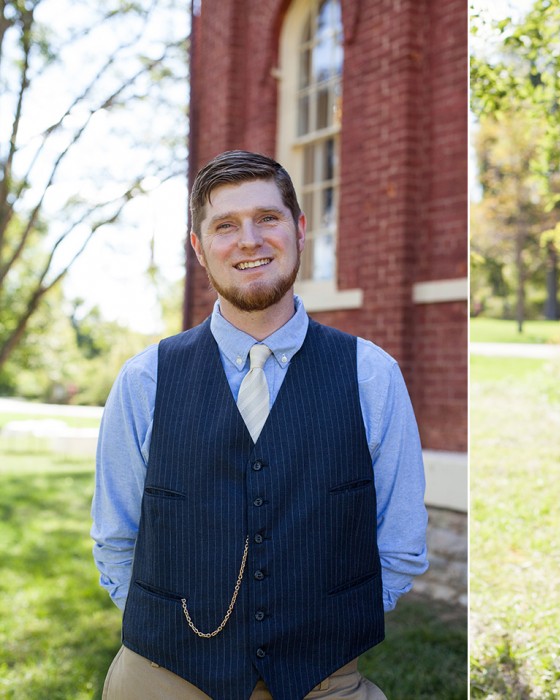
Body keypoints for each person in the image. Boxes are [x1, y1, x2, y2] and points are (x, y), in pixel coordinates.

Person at [91, 150, 428, 700]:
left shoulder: (371, 375)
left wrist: (330, 635)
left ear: (298, 229)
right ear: (200, 248)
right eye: (225, 225)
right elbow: (115, 535)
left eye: (266, 218)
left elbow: (401, 541)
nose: (248, 240)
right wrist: (165, 633)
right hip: (164, 673)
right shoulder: (145, 379)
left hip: (323, 677)